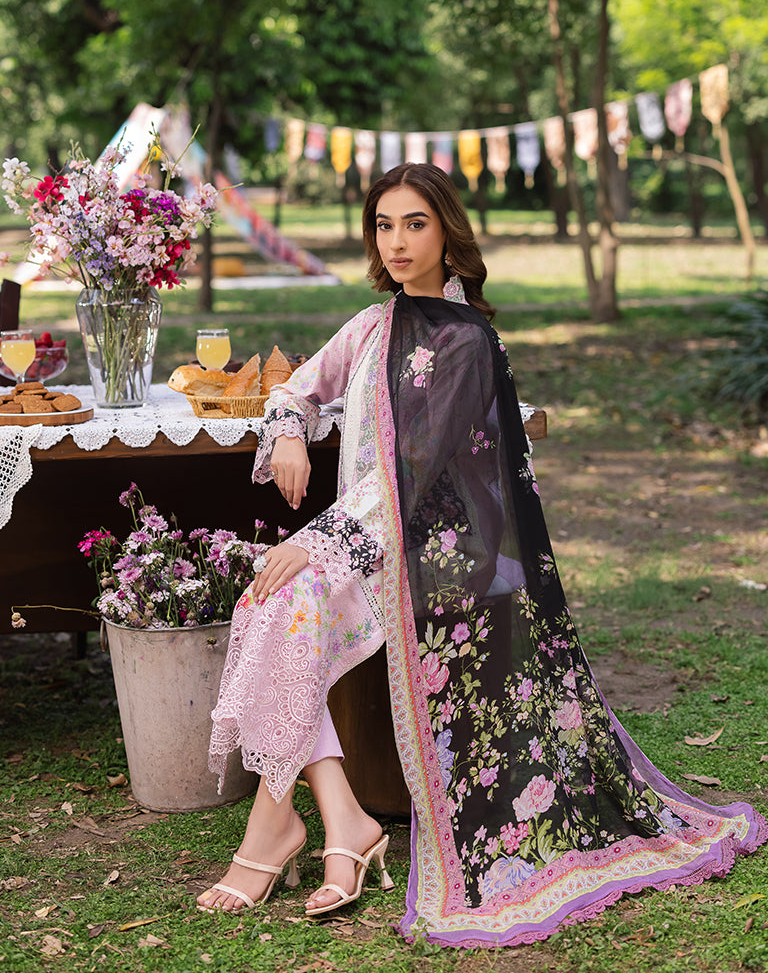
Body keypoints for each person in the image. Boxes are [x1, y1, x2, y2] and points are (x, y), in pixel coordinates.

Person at [197, 163, 766, 946]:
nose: (397, 242)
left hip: (438, 545)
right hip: (368, 540)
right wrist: (289, 431)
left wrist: (318, 541)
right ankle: (335, 816)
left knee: (284, 598)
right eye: (384, 225)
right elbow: (297, 387)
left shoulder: (466, 342)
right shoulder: (371, 326)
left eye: (415, 224)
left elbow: (416, 472)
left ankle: (285, 829)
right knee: (270, 602)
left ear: (448, 233)